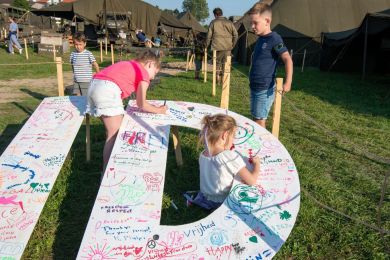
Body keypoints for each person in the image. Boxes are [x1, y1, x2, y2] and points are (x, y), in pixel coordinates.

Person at [86, 50, 167, 171]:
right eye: (155, 72)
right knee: (114, 134)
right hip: (107, 91)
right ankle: (107, 172)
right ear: (150, 64)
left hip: (94, 86)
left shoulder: (129, 64)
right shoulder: (143, 73)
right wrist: (159, 110)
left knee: (111, 130)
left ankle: (108, 164)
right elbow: (141, 103)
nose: (153, 77)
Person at [185, 114, 260, 210]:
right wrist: (257, 164)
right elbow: (252, 181)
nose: (233, 141)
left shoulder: (203, 154)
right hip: (222, 201)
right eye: (233, 136)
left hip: (205, 197)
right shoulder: (229, 156)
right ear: (225, 136)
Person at [248, 2, 293, 128]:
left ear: (267, 21)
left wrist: (288, 82)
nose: (252, 26)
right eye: (251, 23)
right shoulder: (261, 38)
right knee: (255, 117)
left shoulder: (275, 39)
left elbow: (287, 59)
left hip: (264, 88)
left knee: (259, 121)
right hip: (254, 85)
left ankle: (260, 146)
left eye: (255, 23)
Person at [206, 8, 238, 83]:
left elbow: (208, 36)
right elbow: (236, 35)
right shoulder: (229, 22)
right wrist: (233, 45)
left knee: (217, 64)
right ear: (221, 13)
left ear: (215, 14)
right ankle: (224, 82)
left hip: (217, 46)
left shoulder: (213, 22)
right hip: (228, 47)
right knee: (226, 64)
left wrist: (206, 45)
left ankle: (217, 80)